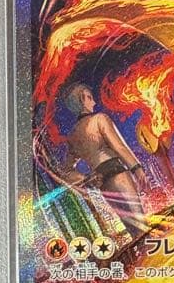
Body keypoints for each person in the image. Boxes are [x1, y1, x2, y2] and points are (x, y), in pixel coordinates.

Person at [63, 83, 147, 235]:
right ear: (81, 101)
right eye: (89, 98)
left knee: (133, 230)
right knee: (142, 226)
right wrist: (136, 168)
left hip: (103, 183)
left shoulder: (72, 136)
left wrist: (86, 178)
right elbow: (119, 147)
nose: (94, 102)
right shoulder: (100, 119)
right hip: (118, 173)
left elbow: (66, 171)